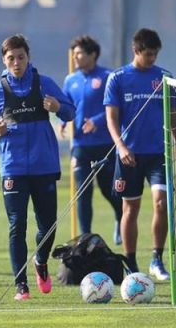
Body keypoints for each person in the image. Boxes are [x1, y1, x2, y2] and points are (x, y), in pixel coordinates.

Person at [0, 34, 75, 301]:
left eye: (21, 57)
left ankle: (41, 261)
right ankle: (21, 284)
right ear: (4, 60)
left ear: (28, 57)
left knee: (48, 225)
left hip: (44, 165)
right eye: (11, 58)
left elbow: (70, 111)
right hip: (13, 168)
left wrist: (58, 107)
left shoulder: (44, 84)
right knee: (16, 224)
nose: (16, 62)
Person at [103, 28, 176, 282]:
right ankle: (130, 262)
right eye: (148, 54)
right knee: (130, 209)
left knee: (161, 203)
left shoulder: (164, 78)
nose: (152, 59)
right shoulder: (118, 78)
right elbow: (111, 118)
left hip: (158, 154)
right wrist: (121, 146)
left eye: (155, 54)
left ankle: (156, 259)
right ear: (136, 51)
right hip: (129, 155)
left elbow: (174, 116)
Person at [61, 35, 123, 245]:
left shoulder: (107, 77)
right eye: (74, 54)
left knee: (108, 189)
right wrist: (63, 120)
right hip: (80, 147)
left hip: (105, 145)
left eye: (80, 53)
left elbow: (117, 108)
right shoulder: (71, 80)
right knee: (83, 192)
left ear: (93, 54)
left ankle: (120, 217)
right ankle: (85, 238)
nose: (76, 57)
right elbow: (66, 106)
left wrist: (97, 120)